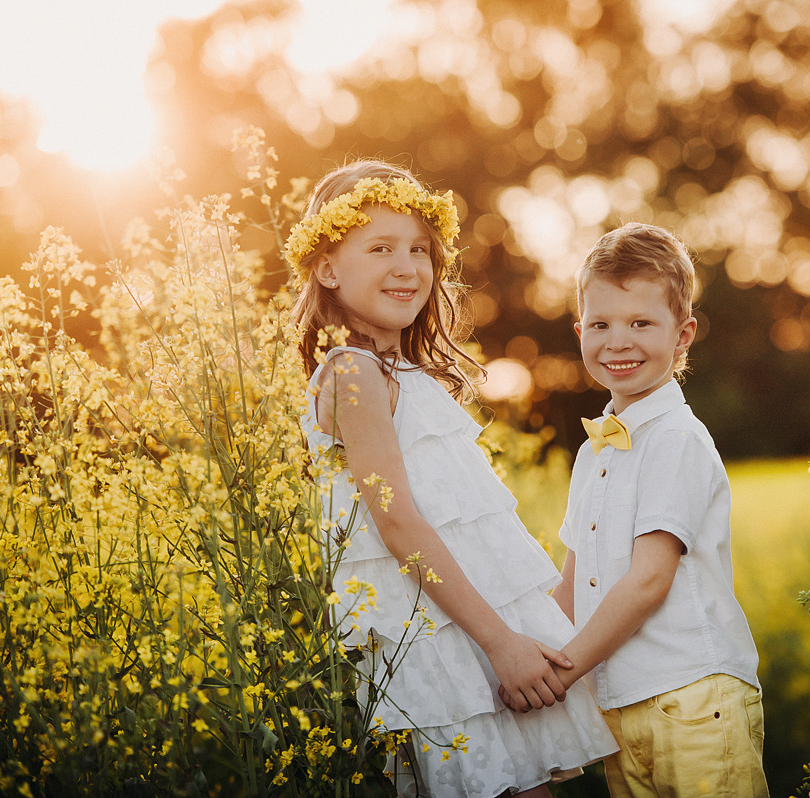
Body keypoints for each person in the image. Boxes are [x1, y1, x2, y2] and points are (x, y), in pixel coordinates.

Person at [288, 159, 617, 797]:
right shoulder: (353, 372)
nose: (407, 266)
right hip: (443, 633)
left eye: (420, 249)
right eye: (379, 247)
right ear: (327, 268)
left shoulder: (394, 372)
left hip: (465, 622)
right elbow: (397, 519)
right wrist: (500, 643)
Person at [538, 222, 768, 797]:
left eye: (641, 323)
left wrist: (560, 672)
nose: (618, 341)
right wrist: (524, 650)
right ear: (579, 331)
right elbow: (573, 581)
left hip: (692, 697)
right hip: (622, 706)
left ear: (683, 333)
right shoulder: (596, 451)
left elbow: (649, 581)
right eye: (601, 324)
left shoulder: (675, 439)